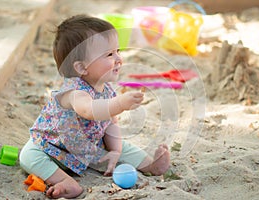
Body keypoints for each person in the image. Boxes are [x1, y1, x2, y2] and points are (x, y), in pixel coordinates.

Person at [19, 14, 170, 199]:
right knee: (28, 156)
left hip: (88, 147)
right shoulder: (74, 91)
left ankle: (151, 165)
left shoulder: (106, 88)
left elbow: (110, 123)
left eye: (118, 51)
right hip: (53, 148)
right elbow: (89, 110)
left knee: (124, 147)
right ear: (82, 68)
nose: (118, 59)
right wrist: (120, 104)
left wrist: (115, 151)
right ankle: (65, 181)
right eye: (109, 54)